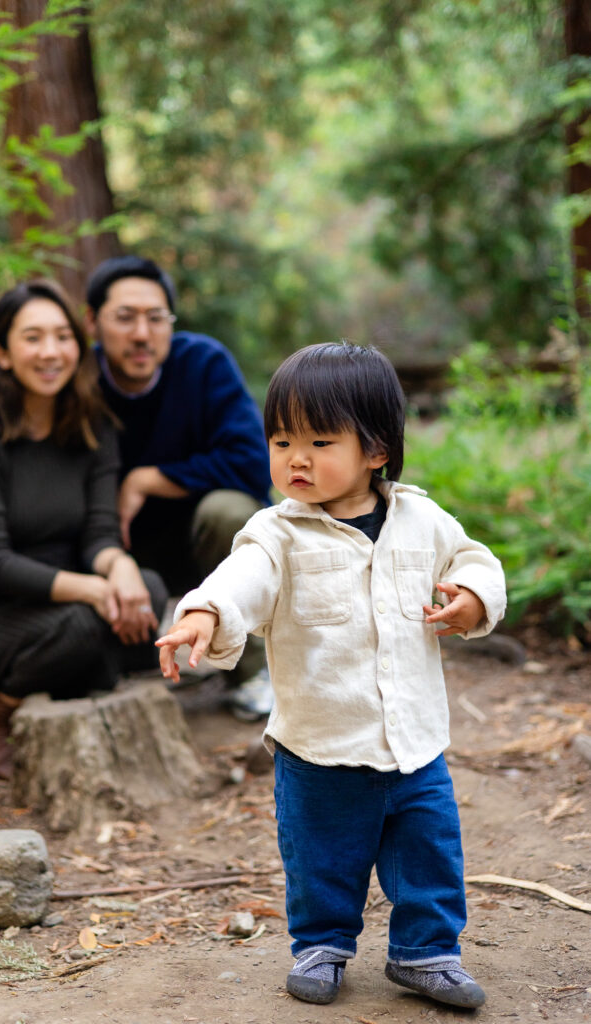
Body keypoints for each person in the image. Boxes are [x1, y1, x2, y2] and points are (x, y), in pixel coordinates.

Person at [156, 343, 507, 1010]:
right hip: (320, 745)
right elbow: (240, 581)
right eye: (281, 439)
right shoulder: (276, 534)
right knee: (321, 858)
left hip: (413, 743)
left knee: (429, 849)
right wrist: (204, 611)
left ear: (376, 449)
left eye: (320, 440)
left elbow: (475, 559)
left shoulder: (421, 519)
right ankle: (321, 944)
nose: (296, 457)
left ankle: (426, 950)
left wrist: (470, 595)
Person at [0, 256, 274, 720]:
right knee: (99, 617)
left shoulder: (188, 369)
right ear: (93, 323)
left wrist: (147, 481)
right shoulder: (71, 383)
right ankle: (33, 695)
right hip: (90, 552)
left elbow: (253, 462)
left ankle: (249, 671)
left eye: (155, 317)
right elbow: (19, 470)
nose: (141, 333)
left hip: (171, 538)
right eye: (124, 317)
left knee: (225, 517)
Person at [0, 280, 167, 780]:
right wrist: (95, 592)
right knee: (87, 623)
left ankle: (71, 670)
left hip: (56, 603)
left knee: (149, 592)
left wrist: (118, 569)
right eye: (33, 338)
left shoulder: (92, 427)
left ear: (78, 346)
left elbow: (99, 534)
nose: (51, 351)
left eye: (62, 336)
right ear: (3, 354)